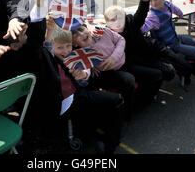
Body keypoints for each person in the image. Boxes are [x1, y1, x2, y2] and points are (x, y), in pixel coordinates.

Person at [27, 16, 123, 154]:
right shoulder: (48, 55)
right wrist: (49, 30)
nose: (65, 51)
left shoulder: (74, 54)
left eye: (68, 46)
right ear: (52, 47)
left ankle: (110, 144)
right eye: (60, 47)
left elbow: (85, 69)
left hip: (78, 94)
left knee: (116, 99)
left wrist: (83, 75)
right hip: (59, 100)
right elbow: (47, 44)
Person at [104, 0, 163, 106]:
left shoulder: (130, 23)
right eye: (112, 19)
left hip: (137, 59)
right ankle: (140, 103)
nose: (116, 22)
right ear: (107, 22)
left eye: (119, 18)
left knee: (162, 71)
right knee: (155, 75)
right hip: (122, 67)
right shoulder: (106, 33)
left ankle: (146, 98)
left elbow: (141, 14)